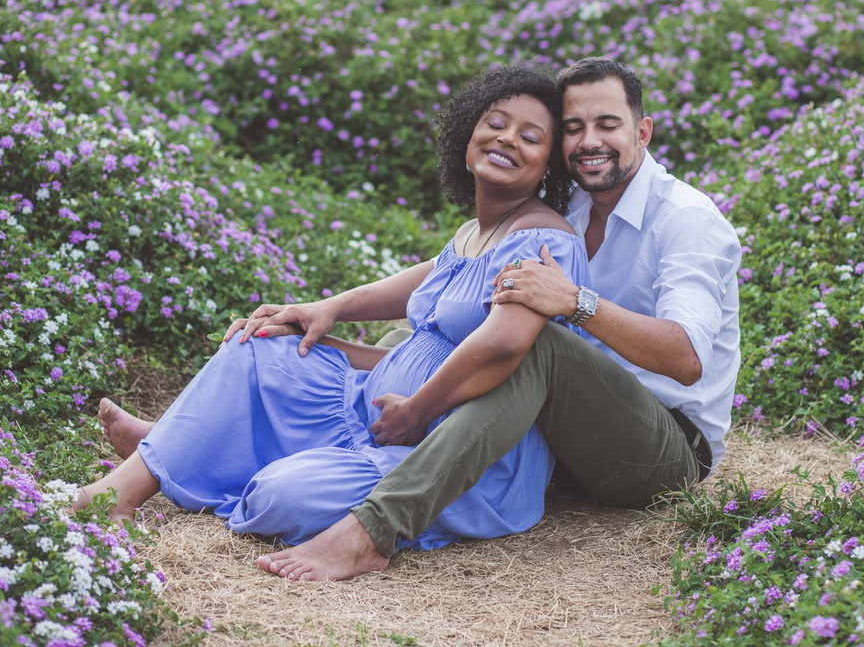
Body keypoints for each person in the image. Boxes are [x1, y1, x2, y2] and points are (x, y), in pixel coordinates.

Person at [224, 56, 743, 582]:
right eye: (573, 128)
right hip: (562, 427)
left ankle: (375, 528)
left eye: (608, 125)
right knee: (422, 334)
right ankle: (260, 453)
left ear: (643, 130)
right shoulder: (576, 205)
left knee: (537, 347)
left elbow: (687, 358)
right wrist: (334, 306)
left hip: (659, 449)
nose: (590, 141)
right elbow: (459, 265)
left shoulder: (688, 221)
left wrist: (575, 301)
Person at [73, 64, 593, 560]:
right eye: (496, 124)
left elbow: (503, 344)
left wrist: (416, 413)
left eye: (530, 137)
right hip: (370, 412)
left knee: (280, 498)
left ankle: (188, 445)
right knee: (262, 340)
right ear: (467, 135)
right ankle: (134, 480)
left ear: (549, 165)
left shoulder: (545, 241)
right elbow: (433, 276)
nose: (506, 139)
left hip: (446, 451)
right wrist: (329, 309)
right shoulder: (480, 230)